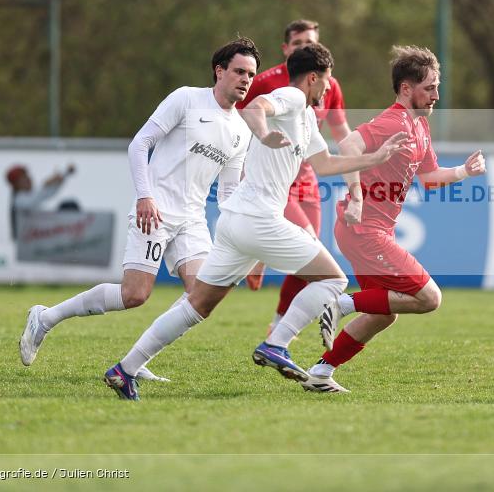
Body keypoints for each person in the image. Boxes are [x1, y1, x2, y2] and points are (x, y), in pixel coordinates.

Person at [103, 43, 408, 400]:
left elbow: (325, 165)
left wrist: (375, 158)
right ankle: (277, 343)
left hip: (238, 222)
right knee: (333, 279)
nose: (328, 88)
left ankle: (124, 370)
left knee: (197, 305)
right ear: (313, 78)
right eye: (327, 81)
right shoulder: (292, 97)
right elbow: (256, 109)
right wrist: (264, 133)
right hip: (256, 217)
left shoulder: (307, 118)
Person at [19, 37, 259, 382]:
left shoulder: (240, 130)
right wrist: (145, 196)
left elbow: (229, 191)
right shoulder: (187, 99)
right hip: (156, 209)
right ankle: (45, 317)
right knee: (134, 295)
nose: (246, 80)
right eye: (239, 71)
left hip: (191, 220)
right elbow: (140, 143)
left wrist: (241, 230)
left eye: (250, 74)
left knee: (202, 295)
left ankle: (135, 359)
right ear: (219, 71)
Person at [303, 45, 486, 393]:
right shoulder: (393, 121)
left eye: (437, 86)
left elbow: (430, 178)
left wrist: (464, 171)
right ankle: (340, 303)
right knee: (429, 297)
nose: (436, 95)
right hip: (364, 230)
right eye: (428, 87)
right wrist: (356, 197)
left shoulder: (419, 126)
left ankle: (321, 372)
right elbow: (349, 146)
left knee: (384, 313)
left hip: (368, 230)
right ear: (406, 89)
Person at [239, 20, 351, 335]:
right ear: (286, 49)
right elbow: (244, 119)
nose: (305, 47)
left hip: (306, 178)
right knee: (310, 248)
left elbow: (341, 134)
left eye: (310, 41)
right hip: (276, 180)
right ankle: (257, 257)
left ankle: (277, 323)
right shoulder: (268, 82)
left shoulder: (329, 85)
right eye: (298, 42)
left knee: (307, 261)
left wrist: (360, 177)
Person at [5, 164, 76, 239]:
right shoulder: (19, 200)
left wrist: (64, 174)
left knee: (68, 205)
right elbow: (37, 197)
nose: (29, 179)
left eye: (28, 176)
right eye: (24, 178)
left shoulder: (26, 195)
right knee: (68, 208)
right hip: (28, 242)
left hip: (39, 236)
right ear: (16, 184)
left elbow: (48, 192)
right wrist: (47, 184)